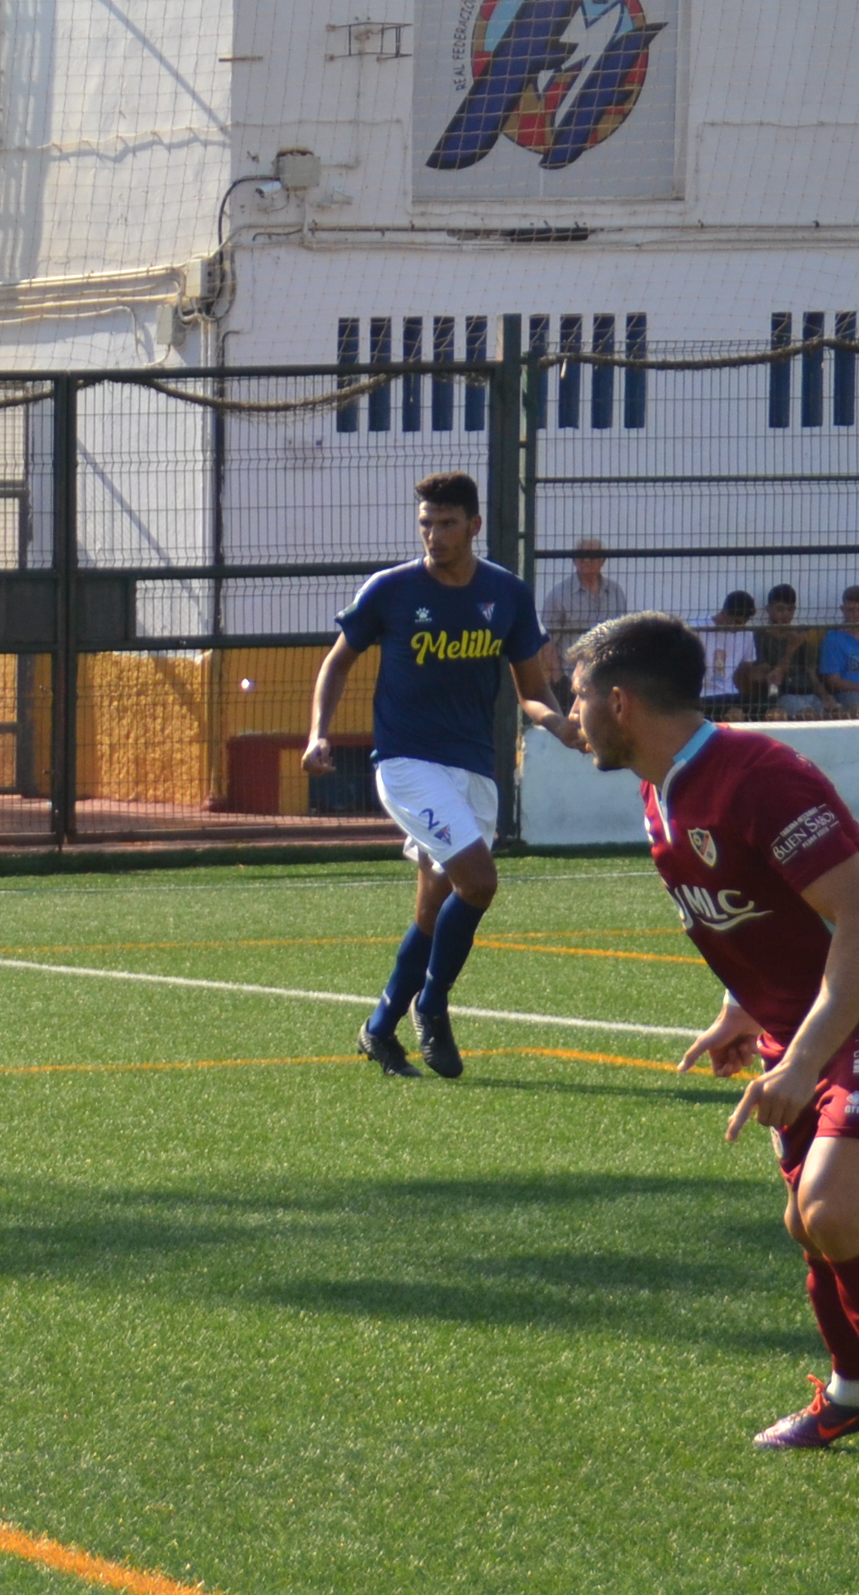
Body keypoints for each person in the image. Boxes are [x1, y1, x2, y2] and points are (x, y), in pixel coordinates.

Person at [565, 612, 859, 1447]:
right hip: (800, 1025)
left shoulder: (758, 775)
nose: (571, 711)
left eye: (578, 696)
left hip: (845, 1019)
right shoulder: (658, 790)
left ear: (619, 701)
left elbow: (858, 916)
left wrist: (802, 1061)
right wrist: (743, 1005)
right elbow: (758, 911)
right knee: (809, 1220)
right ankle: (849, 1389)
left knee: (835, 1209)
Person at [304, 470, 568, 1081]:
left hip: (473, 767)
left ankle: (379, 1025)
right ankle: (433, 1001)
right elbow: (337, 662)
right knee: (479, 880)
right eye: (426, 523)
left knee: (436, 901)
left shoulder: (507, 594)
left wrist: (559, 725)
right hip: (405, 762)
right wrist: (320, 732)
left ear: (474, 526)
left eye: (447, 523)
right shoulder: (392, 590)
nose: (434, 534)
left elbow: (532, 690)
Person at [542, 538, 627, 646]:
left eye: (592, 556)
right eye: (581, 556)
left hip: (609, 660)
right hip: (573, 661)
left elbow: (623, 632)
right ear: (574, 560)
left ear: (602, 560)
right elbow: (547, 642)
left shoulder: (615, 592)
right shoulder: (559, 594)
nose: (586, 560)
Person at [753, 584, 822, 718]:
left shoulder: (800, 639)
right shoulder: (759, 638)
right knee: (808, 715)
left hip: (807, 693)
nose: (786, 614)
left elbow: (812, 675)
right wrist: (791, 649)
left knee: (836, 714)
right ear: (768, 609)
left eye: (790, 609)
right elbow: (773, 677)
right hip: (781, 694)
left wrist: (826, 697)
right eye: (780, 609)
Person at [701, 590, 761, 714]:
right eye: (737, 622)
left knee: (770, 710)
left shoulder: (746, 634)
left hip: (731, 693)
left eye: (744, 623)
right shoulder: (698, 629)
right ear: (724, 613)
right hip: (702, 695)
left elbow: (746, 669)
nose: (738, 627)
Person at [818, 586, 859, 718]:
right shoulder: (833, 638)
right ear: (842, 609)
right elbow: (833, 681)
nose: (856, 615)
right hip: (848, 693)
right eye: (851, 610)